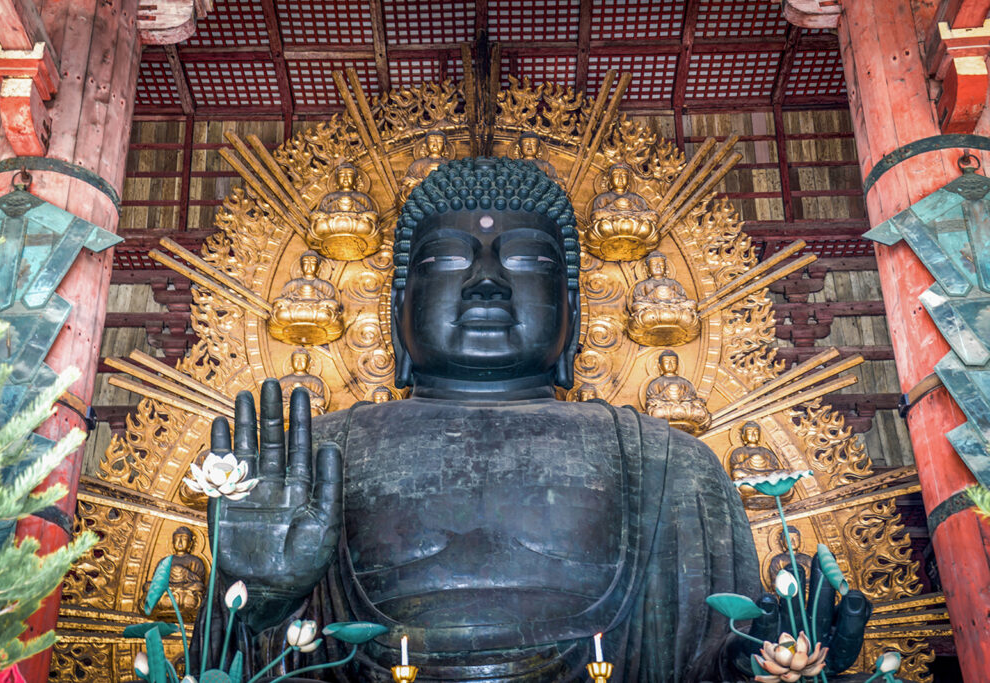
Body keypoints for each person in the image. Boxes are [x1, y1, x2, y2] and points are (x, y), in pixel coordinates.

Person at [197, 158, 870, 682]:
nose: (486, 281)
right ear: (398, 310)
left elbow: (711, 660)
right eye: (447, 260)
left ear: (573, 311)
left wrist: (772, 660)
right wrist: (256, 604)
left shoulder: (672, 465)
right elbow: (229, 665)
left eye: (527, 260)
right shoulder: (313, 464)